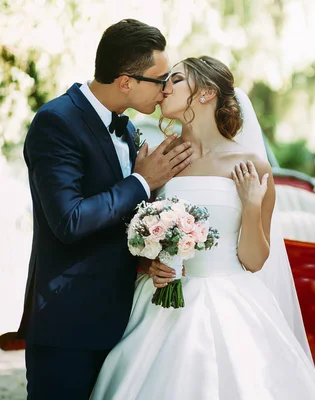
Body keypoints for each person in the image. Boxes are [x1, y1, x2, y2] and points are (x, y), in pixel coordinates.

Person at [90, 56, 315, 399]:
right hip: (163, 303)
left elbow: (255, 260)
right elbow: (136, 233)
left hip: (232, 304)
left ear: (205, 93)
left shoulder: (251, 165)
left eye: (175, 80)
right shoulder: (159, 160)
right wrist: (152, 264)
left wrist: (250, 205)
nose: (164, 88)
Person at [18, 19, 194, 398]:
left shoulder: (128, 130)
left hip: (121, 322)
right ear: (127, 81)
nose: (166, 90)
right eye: (160, 80)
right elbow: (70, 220)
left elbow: (119, 219)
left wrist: (147, 257)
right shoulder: (56, 122)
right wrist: (141, 181)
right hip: (68, 324)